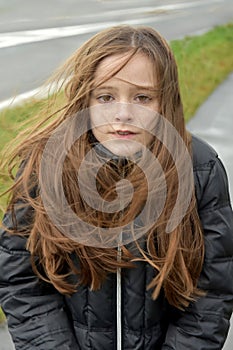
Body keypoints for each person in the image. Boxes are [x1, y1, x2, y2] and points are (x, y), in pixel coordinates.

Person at [0, 25, 233, 350]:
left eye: (142, 97)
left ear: (164, 101)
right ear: (85, 99)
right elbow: (21, 279)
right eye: (106, 97)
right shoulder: (45, 164)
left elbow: (213, 291)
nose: (124, 113)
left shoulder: (199, 168)